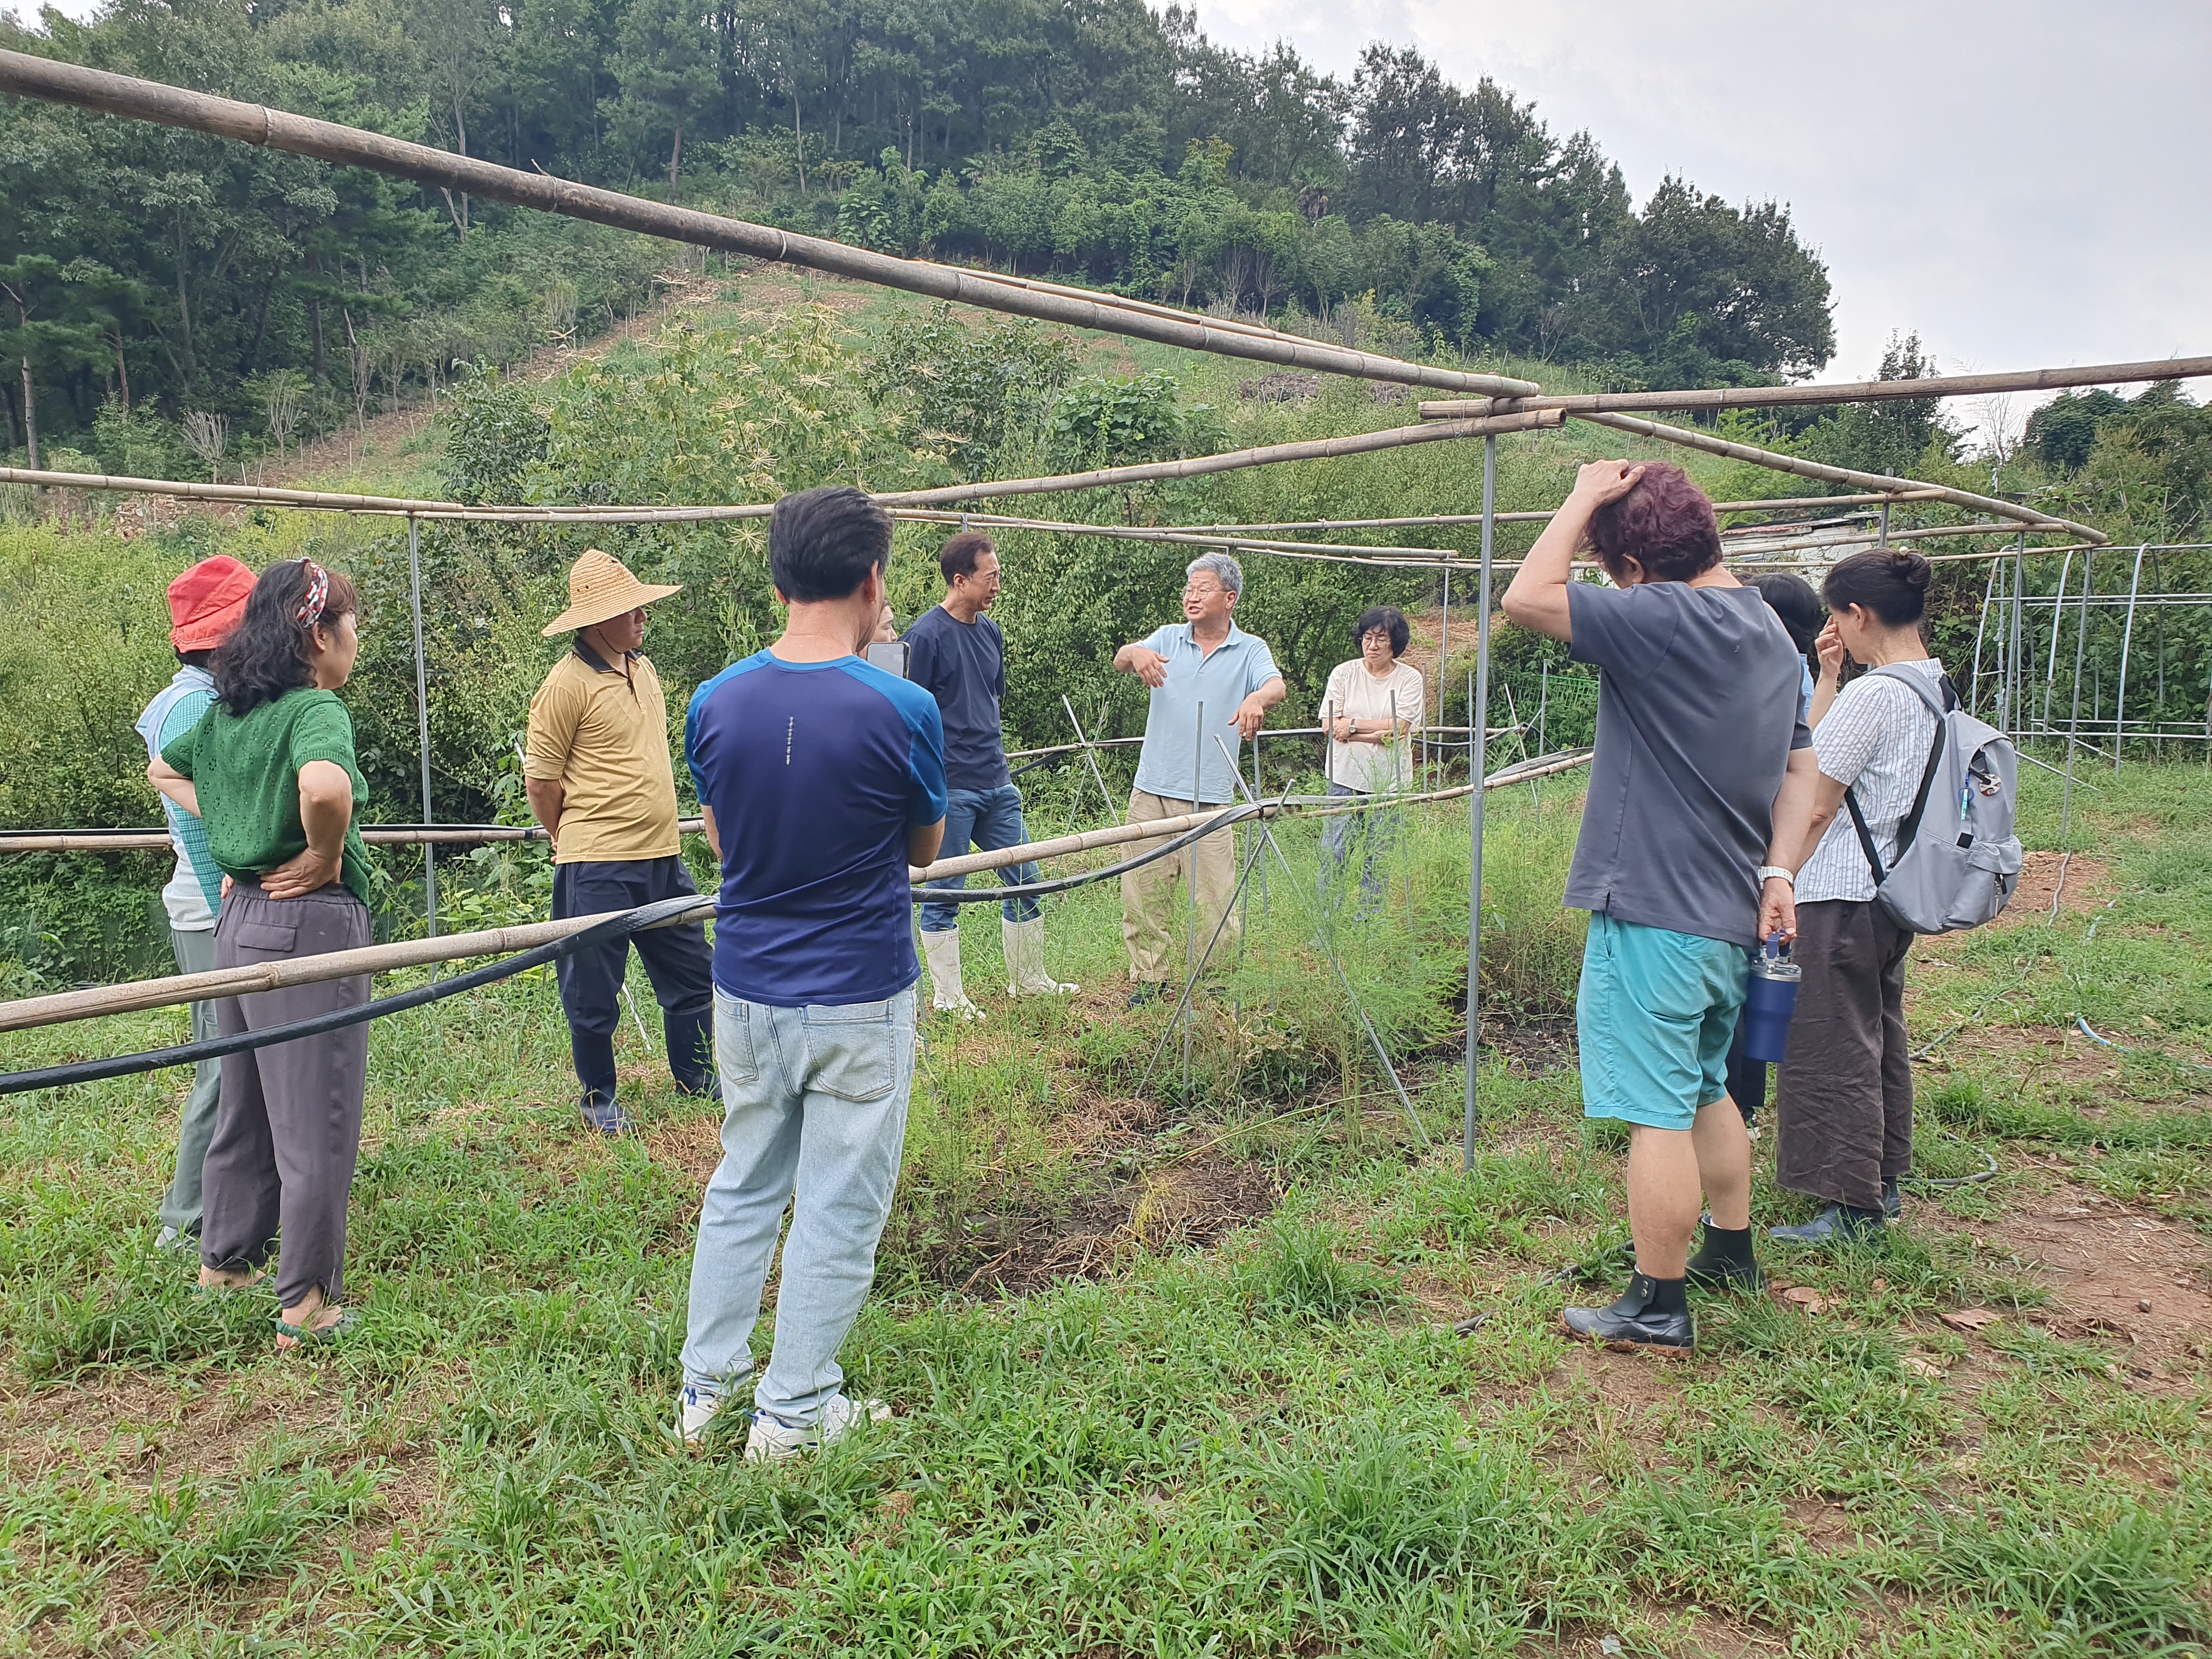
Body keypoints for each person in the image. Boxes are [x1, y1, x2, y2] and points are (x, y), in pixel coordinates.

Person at [1500, 460, 1817, 1352]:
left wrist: (1577, 498)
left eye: (1612, 568)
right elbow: (1801, 766)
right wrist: (1778, 869)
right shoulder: (1767, 629)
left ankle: (1657, 1299)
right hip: (1726, 912)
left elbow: (1526, 596)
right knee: (1708, 1086)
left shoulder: (1667, 616)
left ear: (1634, 566)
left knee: (1655, 1110)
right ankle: (1729, 1248)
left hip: (1652, 910)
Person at [675, 484, 947, 1460]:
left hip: (745, 983)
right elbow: (922, 847)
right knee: (839, 1199)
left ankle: (706, 1390)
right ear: (873, 580)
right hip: (859, 991)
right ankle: (792, 1411)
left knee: (743, 1179)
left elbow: (720, 837)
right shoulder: (903, 706)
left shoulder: (713, 698)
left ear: (778, 574)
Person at [148, 558, 377, 1349]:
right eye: (351, 623)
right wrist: (322, 852)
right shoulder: (314, 709)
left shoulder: (227, 715)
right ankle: (308, 1301)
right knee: (317, 1110)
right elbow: (325, 788)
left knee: (243, 1097)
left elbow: (161, 768)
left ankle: (226, 1261)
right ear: (317, 635)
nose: (356, 637)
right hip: (306, 916)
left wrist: (237, 816)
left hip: (238, 917)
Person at [1770, 550, 1948, 1244]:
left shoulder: (1877, 696)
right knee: (1878, 1032)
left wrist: (1780, 874)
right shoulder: (1931, 684)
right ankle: (1883, 1177)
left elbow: (1813, 800)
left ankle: (1849, 1206)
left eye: (1839, 615)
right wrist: (1828, 677)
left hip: (1839, 892)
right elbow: (1823, 744)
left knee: (1831, 1044)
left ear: (1860, 615)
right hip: (1889, 892)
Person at [525, 548, 718, 1134]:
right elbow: (542, 779)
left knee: (691, 972)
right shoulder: (565, 684)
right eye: (627, 609)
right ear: (593, 620)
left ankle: (696, 1077)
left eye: (640, 607)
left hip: (662, 853)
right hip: (598, 860)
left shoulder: (644, 668)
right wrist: (566, 835)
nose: (640, 618)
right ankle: (597, 1099)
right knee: (593, 988)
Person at [906, 531, 1077, 1015]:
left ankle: (1029, 980)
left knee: (1026, 877)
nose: (997, 584)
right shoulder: (923, 637)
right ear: (960, 581)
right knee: (944, 890)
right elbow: (905, 715)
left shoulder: (990, 632)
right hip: (950, 786)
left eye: (998, 575)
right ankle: (948, 997)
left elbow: (991, 698)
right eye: (990, 576)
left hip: (996, 780)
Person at [138, 555, 255, 1252]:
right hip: (213, 904)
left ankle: (232, 1206)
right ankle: (184, 1223)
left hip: (220, 901)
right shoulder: (190, 704)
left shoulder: (207, 696)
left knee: (238, 1058)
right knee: (221, 1062)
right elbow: (198, 821)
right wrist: (236, 889)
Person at [1111, 552, 1287, 1005]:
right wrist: (1137, 652)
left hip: (1209, 795)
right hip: (1152, 788)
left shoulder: (1250, 649)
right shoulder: (1168, 637)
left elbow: (1276, 685)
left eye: (1203, 588)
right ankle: (1151, 978)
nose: (1192, 595)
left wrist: (1255, 699)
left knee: (1214, 898)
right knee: (1144, 890)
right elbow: (1121, 659)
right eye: (1189, 588)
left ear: (1229, 599)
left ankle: (1218, 982)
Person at [1725, 572, 1825, 1127]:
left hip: (1761, 848)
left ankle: (1737, 1099)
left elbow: (1800, 770)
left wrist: (1778, 870)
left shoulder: (1771, 668)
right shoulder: (1797, 668)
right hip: (1775, 850)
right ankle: (1744, 1099)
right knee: (1758, 968)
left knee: (1749, 973)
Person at [1319, 605, 1425, 916]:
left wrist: (1350, 727)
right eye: (1368, 637)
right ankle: (1329, 922)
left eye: (1382, 639)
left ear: (1396, 643)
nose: (1373, 646)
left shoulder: (1409, 679)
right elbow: (1328, 724)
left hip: (1389, 782)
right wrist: (1377, 731)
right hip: (1345, 777)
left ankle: (1368, 923)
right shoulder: (1344, 673)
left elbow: (1400, 728)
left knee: (1377, 857)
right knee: (1335, 851)